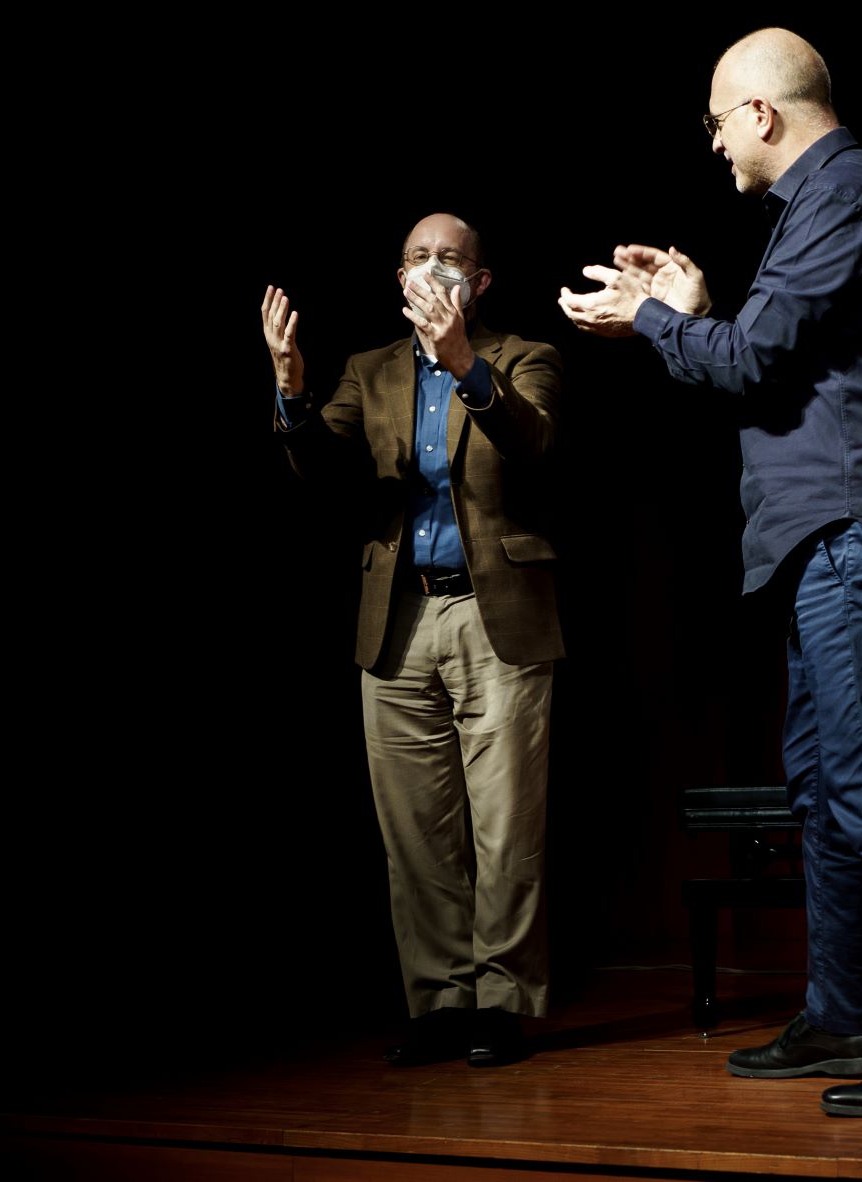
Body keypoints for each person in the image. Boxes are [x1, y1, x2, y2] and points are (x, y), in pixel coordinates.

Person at [558, 29, 862, 1117]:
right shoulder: (816, 210)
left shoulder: (846, 191)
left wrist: (657, 320)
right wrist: (694, 316)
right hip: (821, 538)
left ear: (761, 112)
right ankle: (843, 1017)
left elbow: (752, 363)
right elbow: (763, 353)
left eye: (717, 123)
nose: (714, 147)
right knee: (822, 790)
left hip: (856, 530)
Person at [263, 212, 562, 1068]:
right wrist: (290, 386)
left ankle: (498, 1004)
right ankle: (438, 1004)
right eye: (418, 259)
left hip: (494, 614)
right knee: (415, 831)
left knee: (506, 824)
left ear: (482, 280)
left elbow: (535, 442)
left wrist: (465, 362)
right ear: (398, 278)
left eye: (451, 260)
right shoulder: (371, 371)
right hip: (397, 620)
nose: (433, 271)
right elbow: (314, 468)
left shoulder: (523, 357)